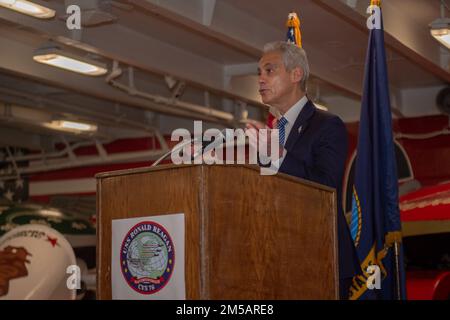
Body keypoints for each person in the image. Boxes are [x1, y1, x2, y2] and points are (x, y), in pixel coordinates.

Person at [246, 41, 361, 299]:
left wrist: (279, 155)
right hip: (278, 258)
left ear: (296, 74)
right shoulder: (271, 133)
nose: (260, 79)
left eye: (269, 70)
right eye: (259, 73)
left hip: (320, 256)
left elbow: (326, 188)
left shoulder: (327, 125)